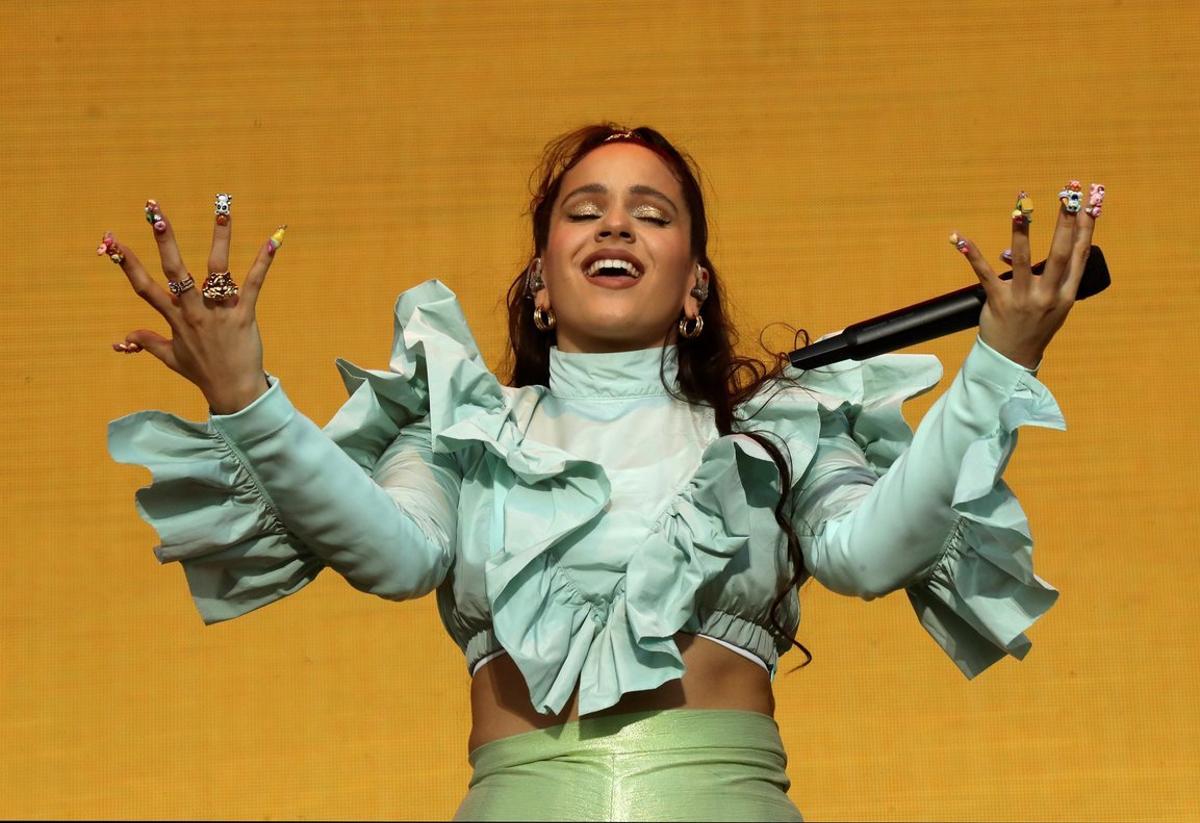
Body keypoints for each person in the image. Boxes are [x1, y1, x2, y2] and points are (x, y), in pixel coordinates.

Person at [104, 124, 1103, 821]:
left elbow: (870, 551)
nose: (615, 226)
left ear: (695, 281)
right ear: (539, 278)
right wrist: (246, 395)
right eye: (585, 210)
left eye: (652, 214)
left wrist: (998, 365)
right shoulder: (464, 426)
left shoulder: (777, 427)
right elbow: (395, 556)